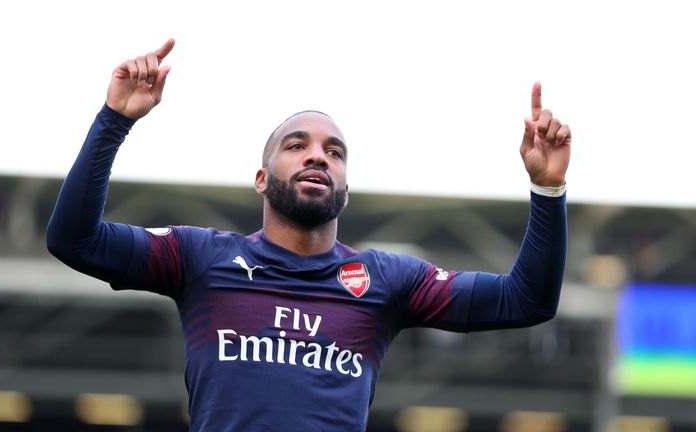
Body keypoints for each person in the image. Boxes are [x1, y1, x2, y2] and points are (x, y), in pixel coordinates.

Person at [47, 38, 571, 431]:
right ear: (261, 178)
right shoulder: (198, 258)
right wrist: (115, 118)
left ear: (345, 184)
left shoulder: (387, 281)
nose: (318, 154)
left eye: (334, 152)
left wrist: (548, 190)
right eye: (297, 145)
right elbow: (74, 240)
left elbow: (526, 300)